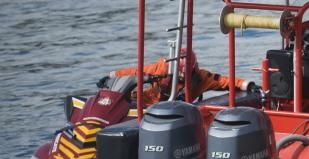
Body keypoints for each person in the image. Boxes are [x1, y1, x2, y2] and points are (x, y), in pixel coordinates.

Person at [104, 49, 254, 106]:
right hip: (145, 105)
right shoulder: (160, 68)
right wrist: (111, 76)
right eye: (179, 76)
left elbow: (224, 81)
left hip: (176, 110)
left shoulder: (202, 77)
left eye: (185, 76)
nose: (182, 80)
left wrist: (247, 85)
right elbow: (134, 71)